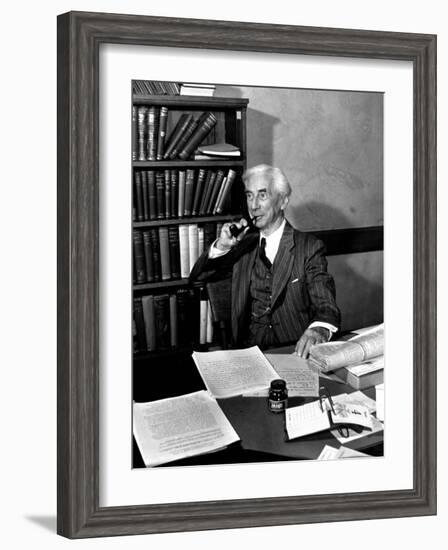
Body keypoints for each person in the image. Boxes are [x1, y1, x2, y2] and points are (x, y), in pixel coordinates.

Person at [189, 164, 341, 357]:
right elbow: (197, 279)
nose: (253, 206)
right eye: (249, 195)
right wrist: (223, 246)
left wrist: (319, 329)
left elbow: (326, 306)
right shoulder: (242, 246)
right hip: (248, 352)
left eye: (262, 195)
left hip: (294, 352)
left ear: (283, 201)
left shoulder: (309, 247)